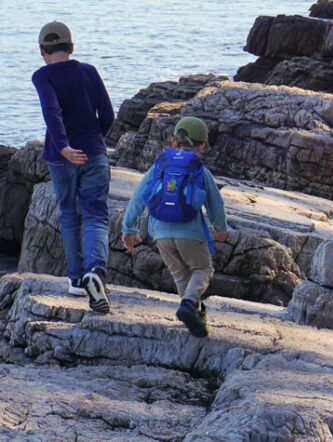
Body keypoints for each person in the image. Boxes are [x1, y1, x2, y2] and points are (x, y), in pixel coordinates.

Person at [32, 21, 115, 312]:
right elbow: (108, 115)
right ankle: (96, 272)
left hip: (61, 157)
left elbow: (51, 111)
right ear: (71, 47)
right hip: (93, 154)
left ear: (42, 51)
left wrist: (64, 146)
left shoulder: (42, 76)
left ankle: (77, 280)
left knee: (69, 214)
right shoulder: (89, 72)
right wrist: (95, 142)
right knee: (96, 216)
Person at [121, 116, 229, 337]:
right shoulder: (199, 170)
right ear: (201, 146)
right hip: (190, 233)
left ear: (173, 142)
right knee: (202, 269)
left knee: (180, 275)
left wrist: (129, 229)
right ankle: (189, 305)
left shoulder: (159, 166)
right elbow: (215, 204)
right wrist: (220, 228)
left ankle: (194, 315)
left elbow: (138, 198)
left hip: (160, 233)